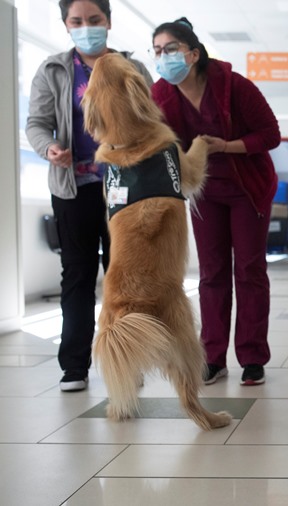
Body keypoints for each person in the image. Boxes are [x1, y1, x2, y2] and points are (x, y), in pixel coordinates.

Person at [25, 0, 152, 392]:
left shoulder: (133, 68)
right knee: (77, 276)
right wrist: (49, 150)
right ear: (66, 24)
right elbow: (36, 124)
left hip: (125, 190)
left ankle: (128, 363)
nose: (86, 27)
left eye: (94, 20)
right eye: (77, 21)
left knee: (126, 278)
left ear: (109, 22)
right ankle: (74, 366)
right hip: (73, 188)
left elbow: (150, 121)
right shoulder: (53, 70)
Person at [151, 18, 281, 387]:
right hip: (204, 192)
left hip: (247, 188)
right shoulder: (160, 94)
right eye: (158, 51)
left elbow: (270, 134)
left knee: (250, 272)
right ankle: (212, 357)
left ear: (193, 54)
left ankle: (253, 357)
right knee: (212, 275)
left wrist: (228, 146)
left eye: (170, 49)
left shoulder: (233, 86)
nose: (164, 57)